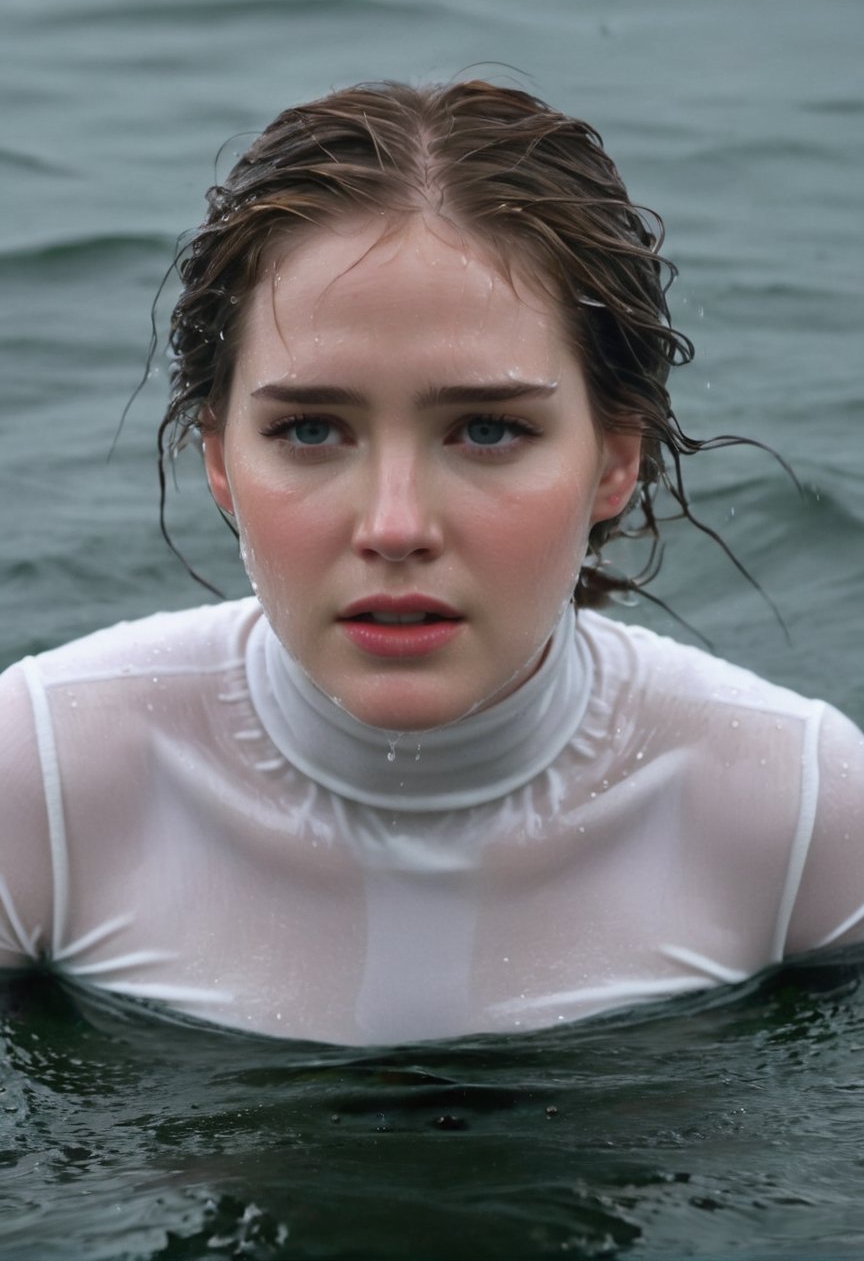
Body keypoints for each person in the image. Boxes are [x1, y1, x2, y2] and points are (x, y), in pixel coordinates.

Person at [1, 81, 861, 1046]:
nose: (395, 525)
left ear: (616, 456)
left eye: (487, 429)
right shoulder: (40, 782)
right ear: (218, 459)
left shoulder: (803, 815)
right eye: (311, 429)